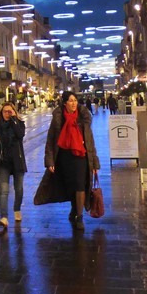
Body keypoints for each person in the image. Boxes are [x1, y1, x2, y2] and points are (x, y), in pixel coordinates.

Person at [44, 90, 100, 231]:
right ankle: (74, 208)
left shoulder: (83, 118)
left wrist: (94, 162)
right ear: (64, 103)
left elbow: (90, 141)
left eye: (75, 100)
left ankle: (80, 217)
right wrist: (49, 160)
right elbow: (50, 139)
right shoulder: (58, 118)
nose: (74, 103)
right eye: (70, 100)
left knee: (80, 185)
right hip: (63, 156)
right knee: (70, 186)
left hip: (81, 155)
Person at [0, 101, 26, 229]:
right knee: (4, 191)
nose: (7, 113)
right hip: (3, 162)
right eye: (5, 111)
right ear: (2, 113)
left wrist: (13, 120)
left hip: (17, 161)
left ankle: (17, 208)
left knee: (19, 189)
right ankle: (4, 217)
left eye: (9, 111)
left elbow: (20, 135)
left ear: (14, 112)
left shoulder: (19, 124)